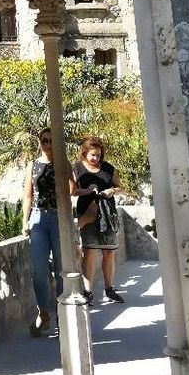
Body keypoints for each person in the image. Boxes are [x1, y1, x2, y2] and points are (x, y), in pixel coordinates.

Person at [21, 128, 74, 337]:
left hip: (59, 217)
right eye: (45, 141)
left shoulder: (64, 164)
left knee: (62, 269)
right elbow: (28, 195)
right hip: (38, 218)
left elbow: (72, 190)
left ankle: (64, 316)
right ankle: (43, 312)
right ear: (39, 142)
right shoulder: (32, 166)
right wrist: (24, 221)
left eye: (53, 141)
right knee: (38, 269)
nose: (49, 144)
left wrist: (63, 169)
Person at [73, 136, 125, 304]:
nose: (95, 158)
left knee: (109, 251)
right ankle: (87, 291)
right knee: (89, 251)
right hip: (87, 215)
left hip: (107, 215)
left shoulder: (108, 168)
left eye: (98, 155)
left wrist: (113, 191)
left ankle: (109, 289)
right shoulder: (77, 168)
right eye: (92, 155)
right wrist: (87, 190)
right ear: (85, 153)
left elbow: (119, 186)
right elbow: (72, 191)